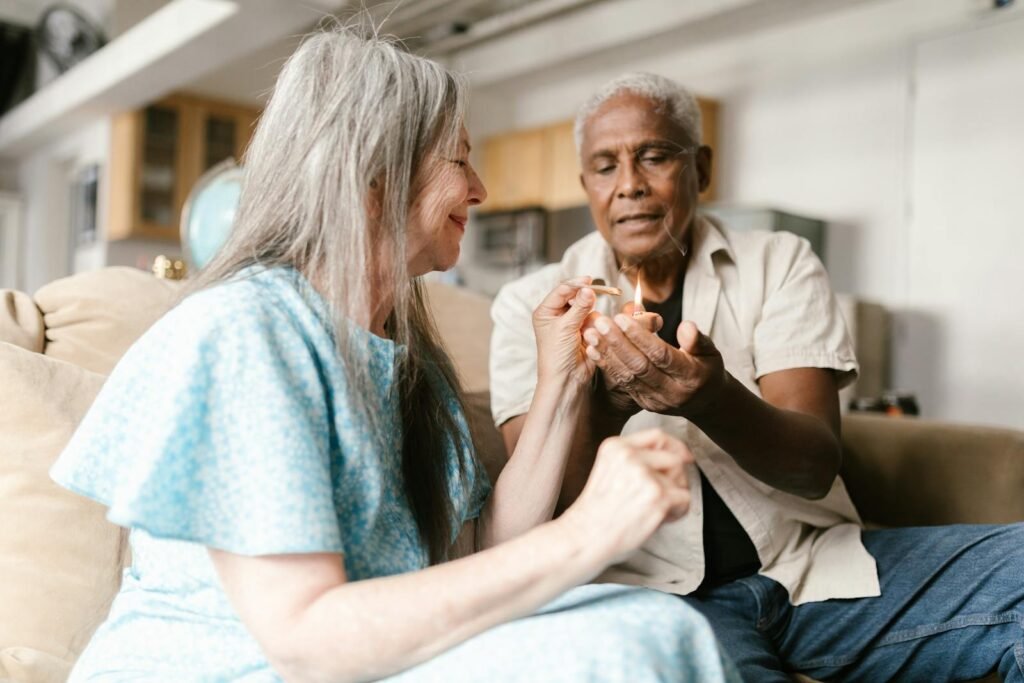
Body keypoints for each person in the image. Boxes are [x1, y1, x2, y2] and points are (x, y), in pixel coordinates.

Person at [49, 29, 742, 683]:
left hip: (366, 658)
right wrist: (590, 531)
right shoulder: (245, 333)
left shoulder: (407, 362)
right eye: (460, 159)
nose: (479, 190)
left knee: (658, 622)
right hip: (241, 667)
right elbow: (308, 636)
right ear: (376, 173)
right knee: (632, 645)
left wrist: (562, 382)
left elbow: (480, 551)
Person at [490, 71, 1024, 682]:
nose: (630, 186)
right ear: (585, 183)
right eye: (605, 167)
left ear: (703, 168)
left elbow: (813, 467)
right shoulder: (532, 307)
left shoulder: (779, 262)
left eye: (655, 156)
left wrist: (712, 398)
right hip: (656, 599)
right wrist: (607, 411)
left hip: (808, 572)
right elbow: (539, 508)